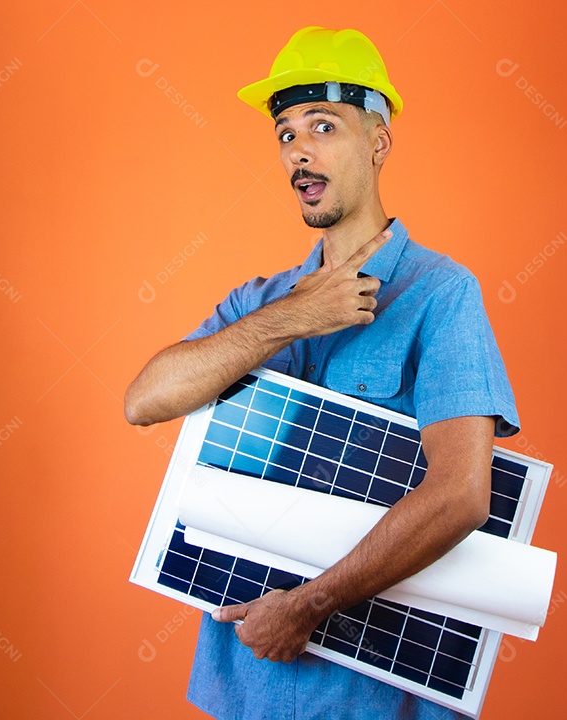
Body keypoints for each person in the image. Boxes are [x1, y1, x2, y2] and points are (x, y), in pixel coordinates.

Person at [125, 25, 520, 720]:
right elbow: (144, 400)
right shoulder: (261, 301)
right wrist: (292, 318)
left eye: (323, 126)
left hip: (372, 695)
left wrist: (307, 607)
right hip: (246, 683)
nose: (299, 151)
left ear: (379, 140)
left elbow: (461, 495)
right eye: (285, 134)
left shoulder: (442, 295)